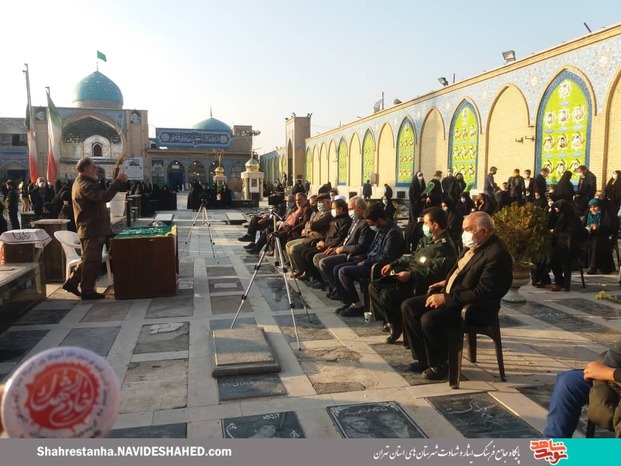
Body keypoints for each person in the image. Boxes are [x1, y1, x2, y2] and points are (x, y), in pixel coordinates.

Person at [400, 211, 513, 380]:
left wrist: (446, 299)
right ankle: (424, 359)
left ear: (483, 231)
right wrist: (446, 282)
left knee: (429, 319)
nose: (464, 234)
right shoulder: (473, 246)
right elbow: (462, 271)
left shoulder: (497, 254)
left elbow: (484, 291)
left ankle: (441, 364)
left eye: (468, 229)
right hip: (455, 294)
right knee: (409, 307)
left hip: (474, 308)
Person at [368, 207, 457, 344]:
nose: (423, 226)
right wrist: (394, 264)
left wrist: (411, 275)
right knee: (374, 286)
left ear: (435, 225)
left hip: (420, 281)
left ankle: (396, 323)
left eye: (426, 223)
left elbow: (435, 272)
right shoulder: (426, 240)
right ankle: (392, 321)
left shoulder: (444, 247)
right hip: (408, 274)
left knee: (387, 295)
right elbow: (413, 257)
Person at [63, 157, 128, 300]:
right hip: (91, 228)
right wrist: (118, 182)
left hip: (93, 227)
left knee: (87, 259)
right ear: (86, 169)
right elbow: (104, 197)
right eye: (93, 167)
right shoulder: (84, 185)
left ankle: (72, 283)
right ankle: (87, 290)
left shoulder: (87, 183)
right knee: (91, 261)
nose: (96, 170)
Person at [334, 203, 404, 317]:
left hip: (377, 266)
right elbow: (372, 249)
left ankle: (357, 306)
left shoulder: (393, 232)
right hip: (369, 260)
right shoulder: (381, 228)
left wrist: (365, 261)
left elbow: (386, 256)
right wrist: (361, 257)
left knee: (344, 272)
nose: (371, 226)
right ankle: (349, 302)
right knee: (337, 268)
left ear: (379, 220)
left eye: (372, 224)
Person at [544, 338, 621, 438]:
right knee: (569, 381)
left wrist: (609, 373)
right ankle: (554, 443)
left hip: (614, 376)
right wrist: (605, 367)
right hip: (614, 379)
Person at [313, 196, 374, 298]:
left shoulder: (364, 223)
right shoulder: (355, 220)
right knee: (317, 257)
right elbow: (346, 239)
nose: (349, 211)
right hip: (344, 249)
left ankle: (340, 291)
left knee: (325, 263)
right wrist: (335, 248)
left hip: (353, 254)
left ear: (359, 208)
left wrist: (342, 249)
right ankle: (335, 287)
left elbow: (360, 246)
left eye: (351, 209)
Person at [547, 199, 587, 292]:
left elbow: (573, 235)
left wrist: (556, 233)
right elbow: (549, 224)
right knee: (551, 257)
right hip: (559, 246)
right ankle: (559, 280)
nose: (556, 211)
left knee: (559, 256)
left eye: (558, 209)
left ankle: (562, 282)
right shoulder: (558, 218)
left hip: (572, 248)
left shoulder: (574, 220)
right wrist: (551, 212)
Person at [583, 198, 615, 275]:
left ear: (600, 207)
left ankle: (593, 266)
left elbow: (610, 228)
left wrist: (599, 227)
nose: (593, 209)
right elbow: (582, 225)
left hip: (602, 236)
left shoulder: (605, 215)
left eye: (595, 207)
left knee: (596, 242)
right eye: (591, 207)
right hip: (589, 235)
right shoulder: (588, 215)